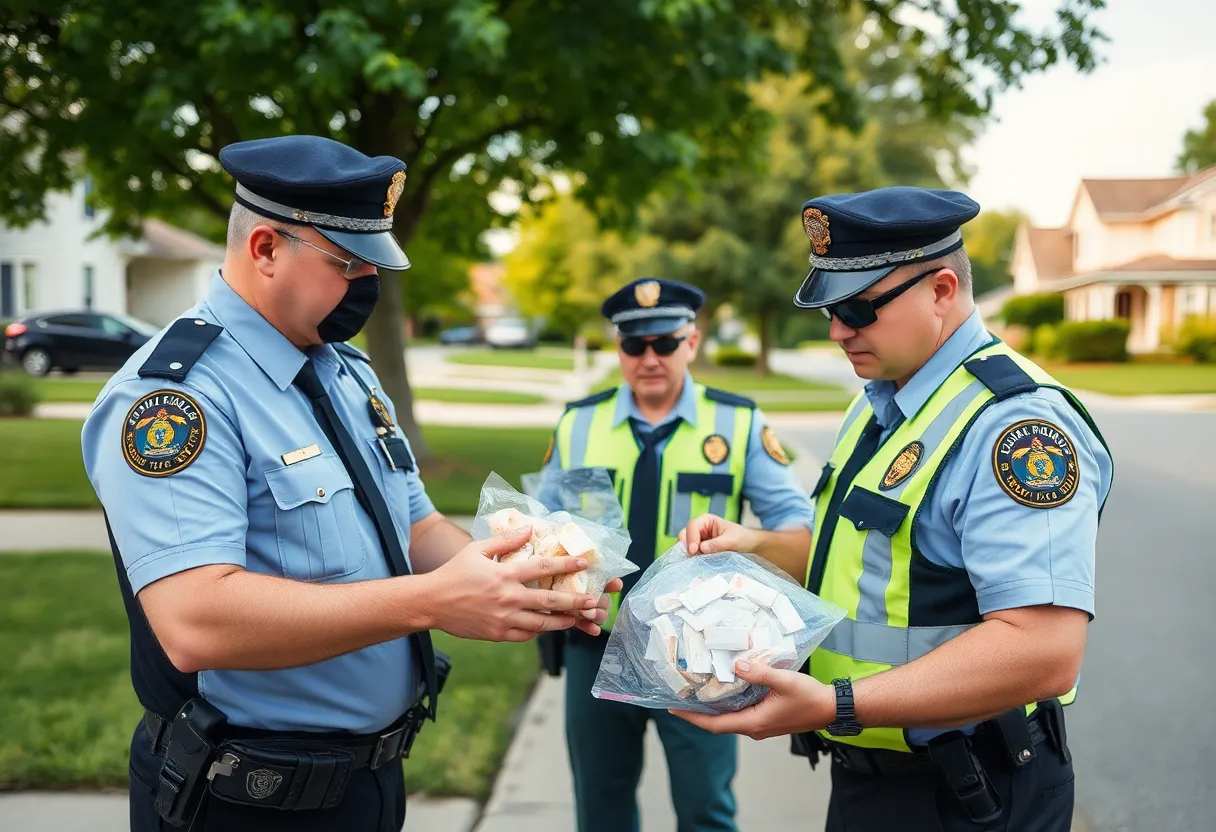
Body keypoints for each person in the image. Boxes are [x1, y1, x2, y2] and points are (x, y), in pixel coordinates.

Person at [80, 134, 620, 832]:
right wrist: (433, 602)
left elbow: (416, 525)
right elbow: (195, 621)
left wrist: (527, 576)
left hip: (368, 783)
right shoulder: (177, 399)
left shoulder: (346, 372)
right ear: (265, 248)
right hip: (245, 799)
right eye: (348, 263)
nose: (368, 284)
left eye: (374, 264)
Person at [675, 186, 1114, 832]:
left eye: (858, 308)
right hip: (874, 776)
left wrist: (835, 704)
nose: (838, 330)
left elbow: (1044, 648)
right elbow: (868, 565)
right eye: (831, 310)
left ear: (941, 290)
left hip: (969, 791)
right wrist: (754, 545)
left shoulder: (1014, 427)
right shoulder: (884, 401)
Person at [535, 277, 816, 832]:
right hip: (596, 642)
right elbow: (542, 527)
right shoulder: (578, 423)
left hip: (700, 656)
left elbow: (798, 527)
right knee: (600, 803)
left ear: (692, 341)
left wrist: (748, 542)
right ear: (618, 348)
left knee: (705, 806)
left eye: (665, 343)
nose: (650, 358)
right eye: (634, 345)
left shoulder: (737, 422)